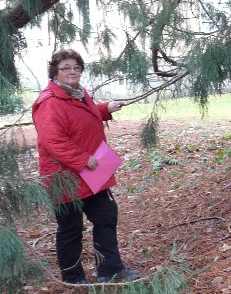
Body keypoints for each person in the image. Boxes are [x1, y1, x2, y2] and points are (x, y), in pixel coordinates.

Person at [32, 48, 141, 285]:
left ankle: (110, 270)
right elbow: (52, 140)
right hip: (65, 177)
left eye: (76, 67)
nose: (72, 72)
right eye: (66, 68)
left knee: (106, 217)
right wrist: (81, 159)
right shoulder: (50, 102)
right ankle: (72, 278)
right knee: (71, 229)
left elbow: (79, 119)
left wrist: (104, 109)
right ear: (55, 72)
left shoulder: (78, 94)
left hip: (93, 173)